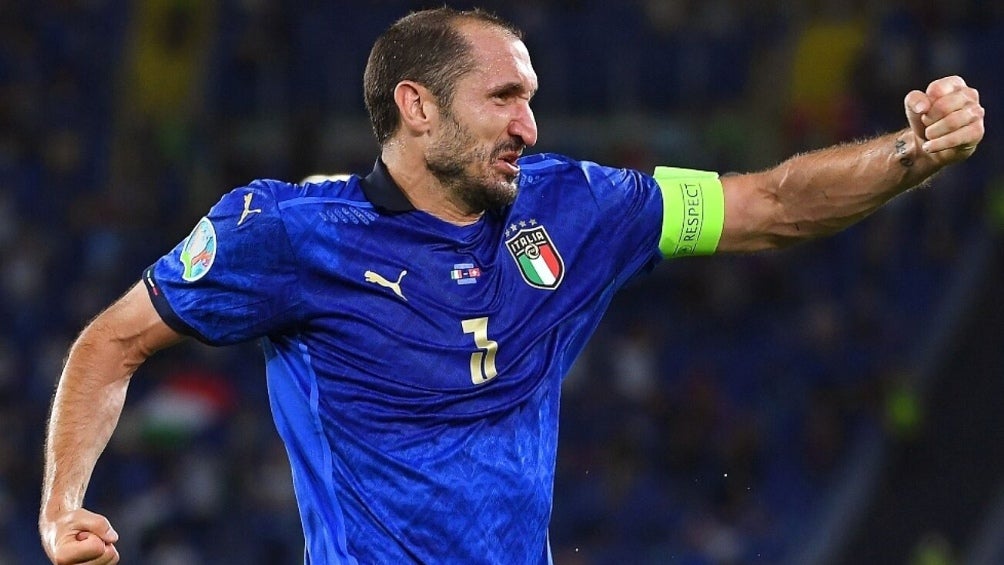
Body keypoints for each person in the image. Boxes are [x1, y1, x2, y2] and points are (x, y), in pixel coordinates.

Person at [39, 6, 985, 565]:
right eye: (504, 98)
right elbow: (108, 342)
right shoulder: (286, 235)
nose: (530, 125)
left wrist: (911, 153)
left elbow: (769, 200)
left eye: (530, 99)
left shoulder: (579, 208)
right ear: (417, 108)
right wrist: (59, 510)